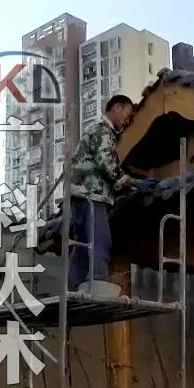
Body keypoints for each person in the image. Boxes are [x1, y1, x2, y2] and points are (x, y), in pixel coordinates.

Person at [68, 94, 134, 291]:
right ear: (117, 108)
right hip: (93, 196)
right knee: (100, 241)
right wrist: (129, 181)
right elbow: (107, 163)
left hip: (80, 197)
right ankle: (97, 285)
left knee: (82, 247)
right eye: (127, 114)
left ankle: (73, 289)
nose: (127, 121)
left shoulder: (95, 129)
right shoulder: (103, 129)